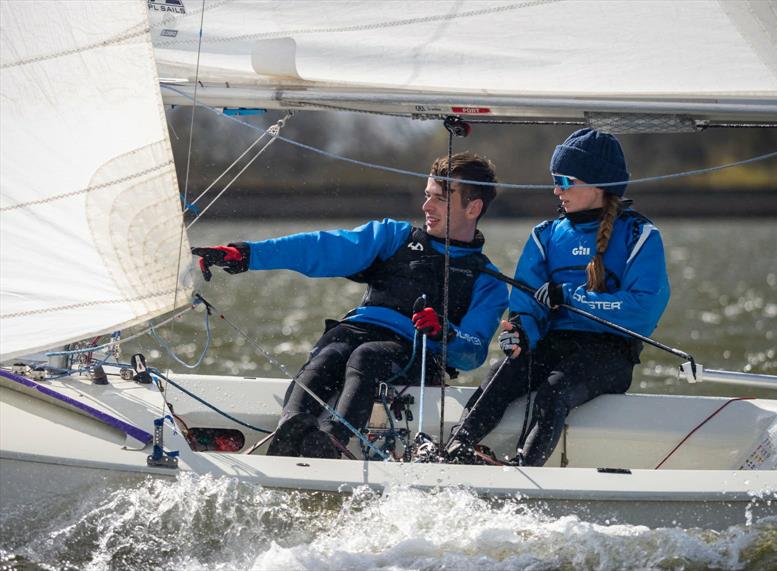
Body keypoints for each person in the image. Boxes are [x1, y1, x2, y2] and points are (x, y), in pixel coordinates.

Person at [192, 152, 508, 459]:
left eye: (441, 198)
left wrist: (445, 332)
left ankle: (332, 440)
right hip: (355, 329)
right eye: (428, 195)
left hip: (409, 352)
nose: (426, 206)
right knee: (331, 352)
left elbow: (473, 352)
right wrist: (248, 254)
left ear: (473, 208)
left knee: (367, 356)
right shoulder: (393, 237)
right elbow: (322, 247)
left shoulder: (488, 281)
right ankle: (290, 429)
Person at [447, 128, 670, 466]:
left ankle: (525, 469)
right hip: (551, 344)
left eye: (565, 181)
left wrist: (569, 296)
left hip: (609, 353)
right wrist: (520, 333)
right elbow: (526, 306)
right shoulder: (545, 235)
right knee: (500, 375)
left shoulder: (640, 235)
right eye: (555, 181)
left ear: (597, 183)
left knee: (554, 390)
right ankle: (452, 450)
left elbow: (642, 311)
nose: (556, 190)